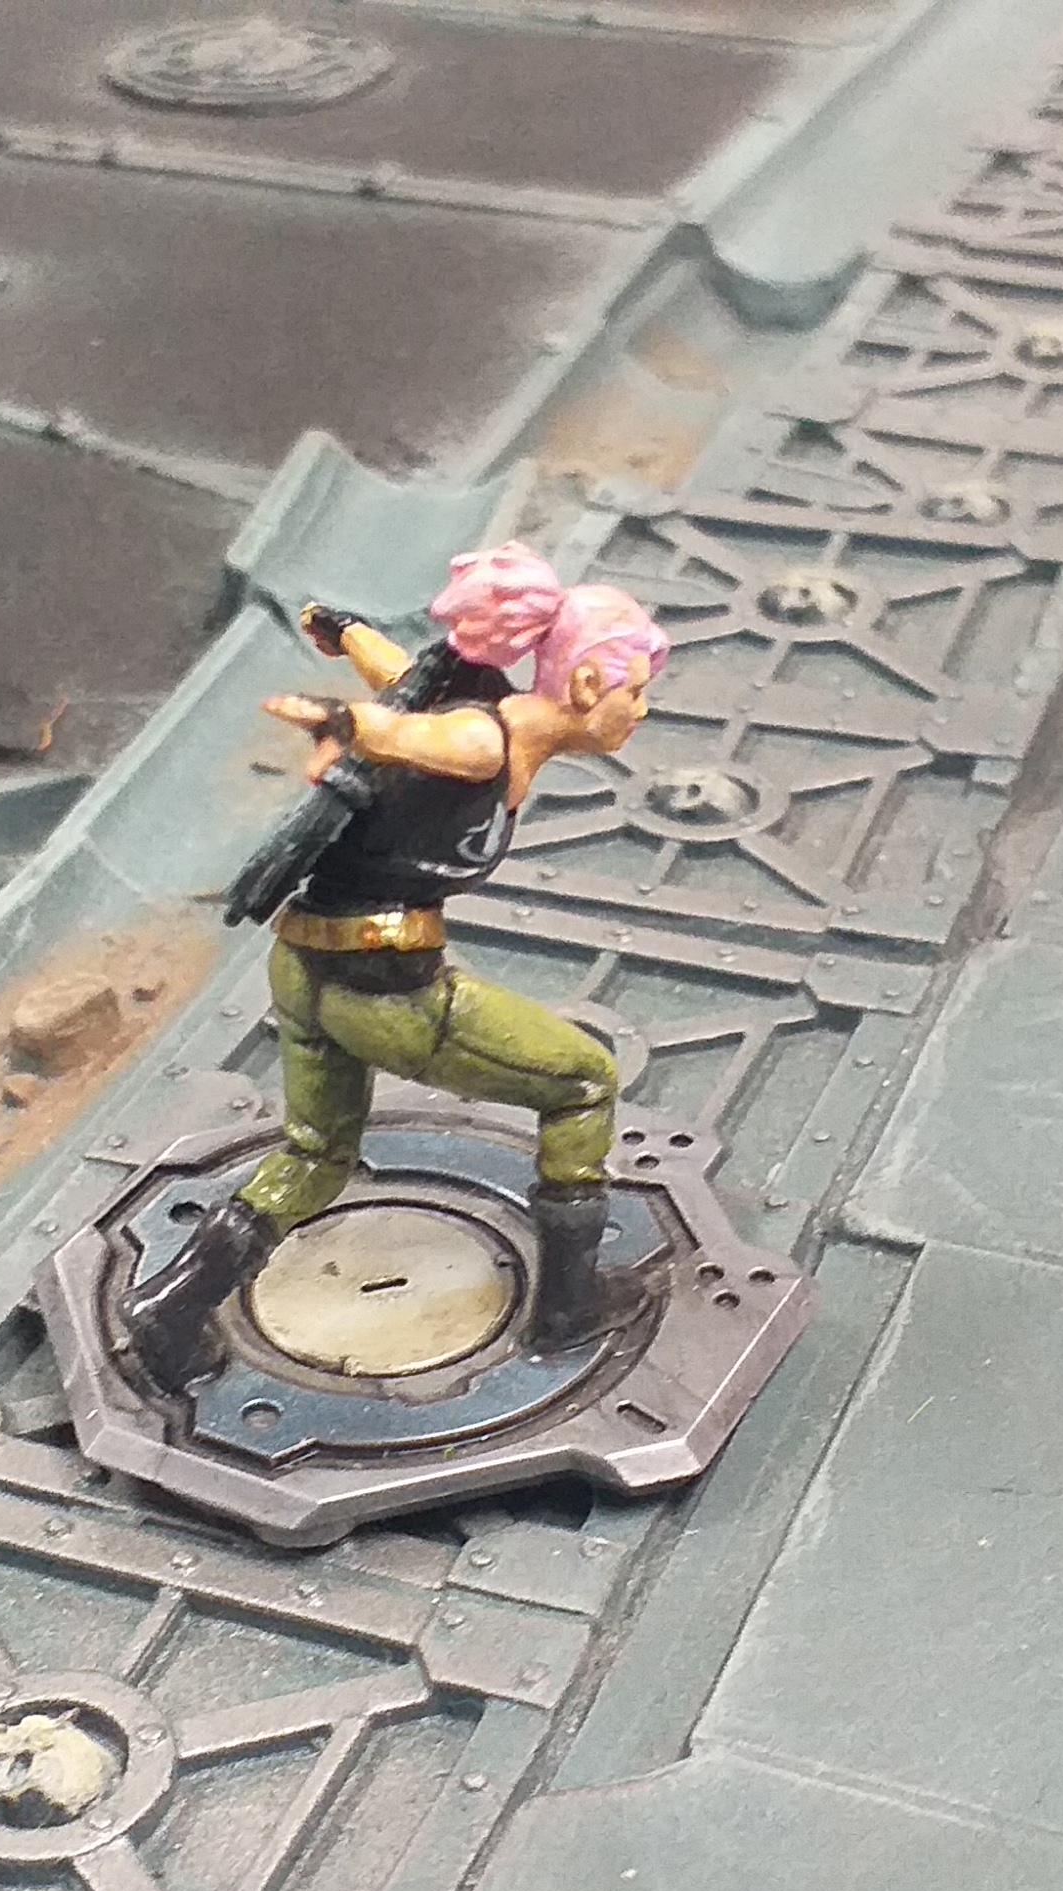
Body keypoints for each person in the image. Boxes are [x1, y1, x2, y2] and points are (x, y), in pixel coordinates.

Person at [117, 543, 667, 1390]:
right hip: (387, 990)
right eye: (636, 690)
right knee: (585, 1082)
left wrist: (348, 637)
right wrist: (349, 725)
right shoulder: (483, 740)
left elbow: (404, 683)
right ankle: (567, 1305)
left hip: (305, 966)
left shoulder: (478, 702)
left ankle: (172, 1309)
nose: (642, 710)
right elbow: (412, 731)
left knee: (317, 1156)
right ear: (590, 684)